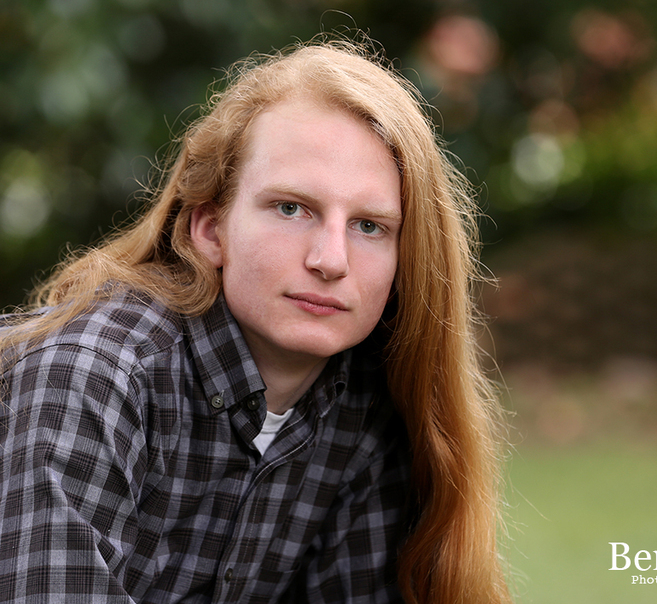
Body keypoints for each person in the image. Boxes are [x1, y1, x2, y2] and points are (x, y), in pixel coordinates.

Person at [0, 39, 511, 604]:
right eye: (292, 208)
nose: (330, 260)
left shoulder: (366, 409)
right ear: (210, 229)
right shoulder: (91, 375)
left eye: (369, 226)